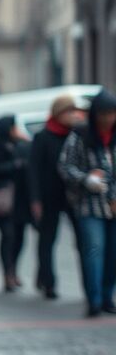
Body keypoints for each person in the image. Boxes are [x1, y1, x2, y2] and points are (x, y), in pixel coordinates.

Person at [58, 89, 116, 318]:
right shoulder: (80, 135)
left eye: (112, 114)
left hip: (114, 204)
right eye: (104, 114)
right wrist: (85, 179)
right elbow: (65, 166)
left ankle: (106, 296)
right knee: (93, 250)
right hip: (89, 205)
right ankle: (93, 299)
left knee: (113, 254)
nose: (108, 120)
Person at [29, 94, 83, 299]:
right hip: (48, 196)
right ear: (58, 113)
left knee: (82, 240)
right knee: (47, 240)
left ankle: (89, 284)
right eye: (69, 111)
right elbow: (32, 169)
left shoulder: (77, 135)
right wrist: (35, 200)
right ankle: (48, 282)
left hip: (73, 195)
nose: (73, 115)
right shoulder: (43, 136)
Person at [0, 115, 32, 292]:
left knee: (19, 237)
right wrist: (13, 165)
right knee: (8, 235)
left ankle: (13, 270)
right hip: (2, 199)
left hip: (19, 199)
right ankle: (7, 273)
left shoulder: (20, 145)